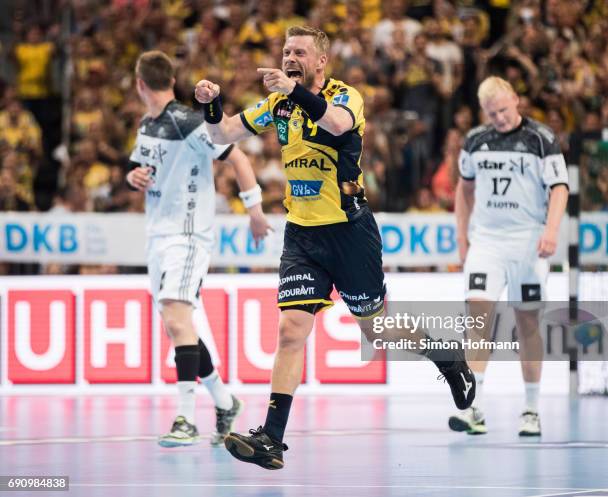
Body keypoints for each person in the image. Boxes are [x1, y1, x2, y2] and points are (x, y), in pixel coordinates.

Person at [195, 26, 475, 470]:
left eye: (299, 51)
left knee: (376, 331)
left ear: (320, 61)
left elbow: (337, 124)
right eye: (286, 50)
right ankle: (271, 438)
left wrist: (291, 89)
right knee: (291, 331)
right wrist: (211, 105)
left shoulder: (347, 96)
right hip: (302, 235)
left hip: (349, 230)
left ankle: (445, 355)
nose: (289, 56)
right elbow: (221, 135)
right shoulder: (277, 104)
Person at [127, 50, 271, 447]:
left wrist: (254, 210)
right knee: (183, 327)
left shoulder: (189, 122)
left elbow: (236, 156)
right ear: (169, 80)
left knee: (176, 321)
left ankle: (185, 419)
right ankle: (225, 403)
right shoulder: (146, 123)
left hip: (188, 236)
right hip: (156, 236)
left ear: (140, 84)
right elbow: (136, 166)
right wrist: (133, 176)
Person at [453, 76, 569, 437]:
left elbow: (560, 188)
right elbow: (464, 189)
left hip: (528, 240)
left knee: (527, 323)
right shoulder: (475, 140)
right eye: (492, 113)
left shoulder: (541, 139)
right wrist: (462, 237)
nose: (500, 117)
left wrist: (551, 231)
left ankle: (531, 409)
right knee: (477, 320)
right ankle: (475, 408)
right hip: (487, 240)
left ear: (516, 100)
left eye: (504, 109)